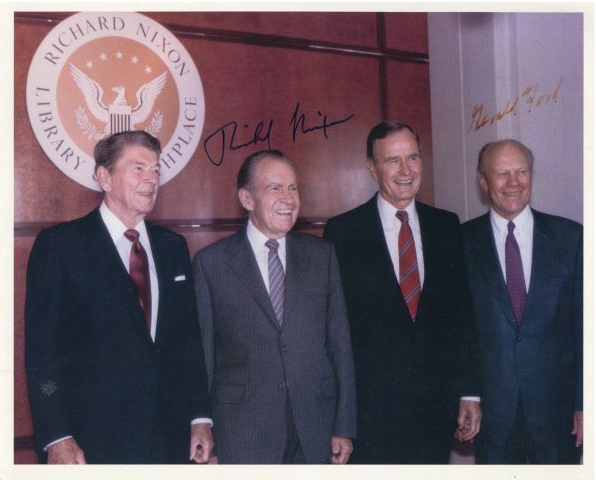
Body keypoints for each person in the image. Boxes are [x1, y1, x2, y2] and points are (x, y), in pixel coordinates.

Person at [24, 130, 213, 464]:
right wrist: (57, 435)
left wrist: (200, 418)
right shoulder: (62, 246)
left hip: (169, 440)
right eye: (138, 168)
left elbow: (187, 341)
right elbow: (43, 355)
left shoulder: (173, 247)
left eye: (156, 169)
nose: (151, 178)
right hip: (92, 443)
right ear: (104, 177)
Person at [323, 120, 481, 464]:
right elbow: (334, 331)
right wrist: (341, 415)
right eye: (393, 160)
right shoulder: (343, 232)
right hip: (371, 415)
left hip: (436, 411)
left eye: (413, 158)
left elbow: (463, 317)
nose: (406, 170)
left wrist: (469, 393)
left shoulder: (446, 226)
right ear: (372, 167)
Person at [192, 149, 357, 464]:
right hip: (242, 432)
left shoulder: (322, 256)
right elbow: (204, 358)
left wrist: (344, 425)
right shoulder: (211, 264)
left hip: (315, 428)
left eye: (293, 187)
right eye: (275, 188)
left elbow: (340, 345)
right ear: (247, 198)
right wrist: (205, 429)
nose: (289, 198)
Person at [462, 139, 583, 464]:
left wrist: (585, 402)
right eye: (502, 174)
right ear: (483, 181)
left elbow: (585, 328)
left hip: (558, 414)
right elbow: (458, 330)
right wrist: (468, 394)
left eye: (521, 172)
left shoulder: (571, 238)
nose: (513, 182)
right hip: (493, 414)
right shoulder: (461, 243)